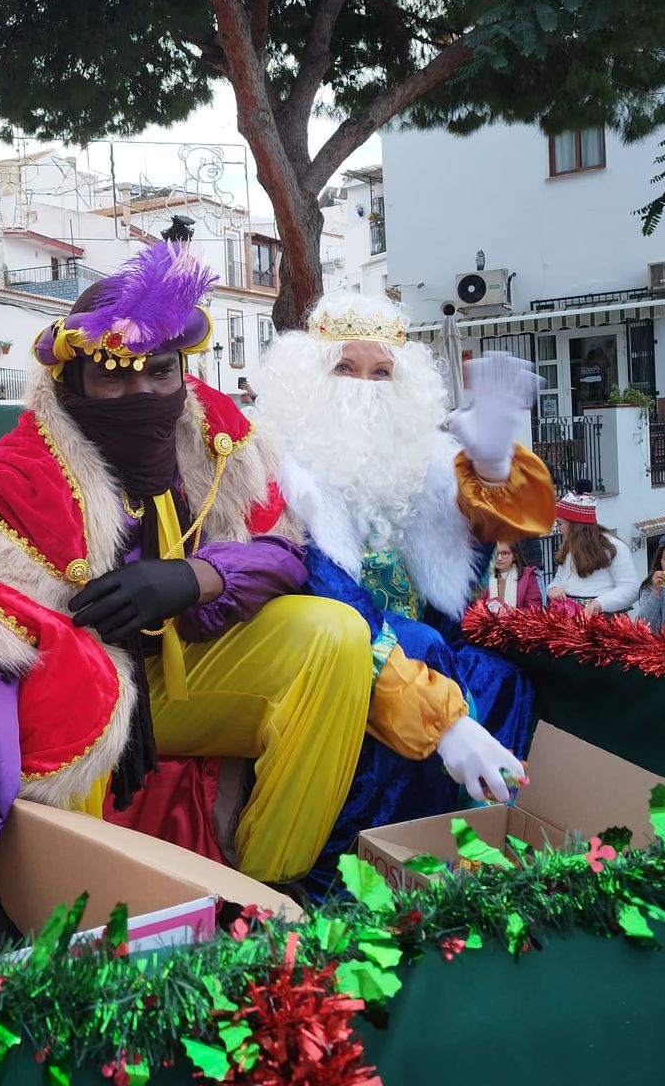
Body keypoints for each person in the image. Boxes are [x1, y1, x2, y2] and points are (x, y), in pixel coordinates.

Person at [0, 243, 382, 953]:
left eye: (160, 374)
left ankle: (267, 889)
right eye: (113, 379)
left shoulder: (222, 434)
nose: (143, 397)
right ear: (71, 382)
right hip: (68, 703)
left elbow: (284, 554)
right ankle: (33, 917)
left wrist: (196, 578)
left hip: (192, 669)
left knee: (335, 634)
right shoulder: (15, 480)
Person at [253, 290, 553, 896]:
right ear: (308, 377)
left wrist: (498, 466)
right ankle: (378, 876)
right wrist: (440, 719)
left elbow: (514, 526)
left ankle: (485, 845)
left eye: (382, 372)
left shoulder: (427, 461)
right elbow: (330, 596)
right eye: (346, 367)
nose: (365, 387)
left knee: (501, 673)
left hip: (425, 659)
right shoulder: (277, 466)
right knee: (417, 649)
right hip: (329, 662)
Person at [546, 485, 640, 616]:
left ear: (575, 525)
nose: (558, 529)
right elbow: (560, 578)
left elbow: (632, 589)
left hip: (603, 619)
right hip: (569, 616)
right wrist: (553, 588)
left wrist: (599, 604)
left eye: (560, 523)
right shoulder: (570, 546)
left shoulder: (614, 548)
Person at [486, 541, 543, 610]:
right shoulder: (485, 577)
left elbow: (534, 608)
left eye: (504, 553)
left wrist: (512, 614)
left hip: (519, 620)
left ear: (514, 556)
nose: (499, 558)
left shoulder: (528, 577)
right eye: (495, 553)